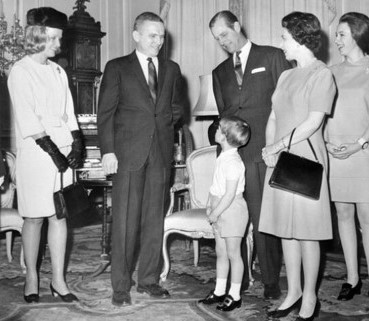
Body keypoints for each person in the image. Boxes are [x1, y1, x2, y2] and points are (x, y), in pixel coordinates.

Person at [97, 12, 185, 306]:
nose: (158, 41)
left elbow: (176, 109)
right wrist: (108, 151)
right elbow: (106, 113)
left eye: (161, 36)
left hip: (160, 154)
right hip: (127, 155)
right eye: (152, 35)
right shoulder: (117, 67)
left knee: (153, 221)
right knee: (124, 221)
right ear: (136, 35)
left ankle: (148, 279)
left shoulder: (172, 69)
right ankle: (120, 285)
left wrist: (161, 127)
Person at [209, 10, 291, 299]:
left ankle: (270, 280)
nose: (222, 42)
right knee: (233, 221)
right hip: (233, 158)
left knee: (261, 217)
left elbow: (286, 105)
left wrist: (280, 147)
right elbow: (224, 117)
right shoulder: (219, 73)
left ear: (237, 26)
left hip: (263, 154)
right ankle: (238, 281)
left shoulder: (271, 56)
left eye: (225, 34)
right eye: (217, 39)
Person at [260, 12, 335, 321]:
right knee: (285, 231)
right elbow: (274, 115)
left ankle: (310, 296)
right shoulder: (286, 75)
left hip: (305, 159)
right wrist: (268, 149)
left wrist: (278, 146)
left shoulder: (322, 74)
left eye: (284, 38)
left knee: (306, 233)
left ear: (301, 39)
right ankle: (292, 292)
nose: (282, 44)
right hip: (279, 158)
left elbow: (312, 122)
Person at [7, 7, 83, 304]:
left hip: (62, 150)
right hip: (37, 153)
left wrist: (75, 143)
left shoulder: (58, 70)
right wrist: (52, 151)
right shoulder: (20, 71)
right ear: (39, 36)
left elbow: (69, 113)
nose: (59, 45)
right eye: (54, 39)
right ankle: (32, 278)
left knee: (60, 215)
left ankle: (59, 281)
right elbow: (28, 118)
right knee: (35, 217)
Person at [325, 12, 369, 316]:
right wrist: (328, 143)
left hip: (364, 152)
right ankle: (352, 279)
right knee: (343, 213)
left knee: (368, 218)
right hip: (335, 150)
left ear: (356, 34)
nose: (336, 40)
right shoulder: (330, 72)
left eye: (341, 34)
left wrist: (358, 144)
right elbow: (324, 112)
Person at [198, 116, 250, 311]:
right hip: (220, 208)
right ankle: (220, 290)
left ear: (225, 136)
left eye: (218, 128)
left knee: (233, 254)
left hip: (233, 210)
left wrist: (214, 213)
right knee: (220, 252)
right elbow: (216, 187)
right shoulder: (223, 157)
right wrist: (209, 204)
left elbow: (229, 195)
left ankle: (235, 294)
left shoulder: (234, 162)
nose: (215, 130)